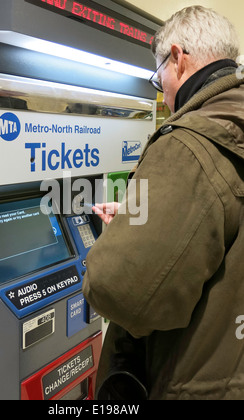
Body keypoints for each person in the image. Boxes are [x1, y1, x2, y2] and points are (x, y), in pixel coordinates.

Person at [82, 6, 244, 400]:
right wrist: (147, 224)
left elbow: (122, 292)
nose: (164, 93)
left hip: (191, 381)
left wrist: (116, 244)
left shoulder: (191, 143)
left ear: (178, 58)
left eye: (160, 80)